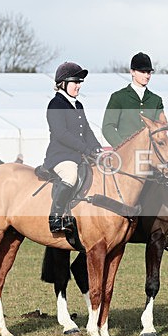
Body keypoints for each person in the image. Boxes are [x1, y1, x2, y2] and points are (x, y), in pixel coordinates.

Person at [43, 61, 102, 234]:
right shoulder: (56, 104)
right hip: (60, 156)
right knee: (70, 175)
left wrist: (97, 148)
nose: (78, 86)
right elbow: (61, 134)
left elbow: (87, 130)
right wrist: (86, 149)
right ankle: (55, 217)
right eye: (75, 82)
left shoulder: (78, 105)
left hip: (78, 155)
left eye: (80, 82)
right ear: (63, 83)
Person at [101, 52, 166, 147]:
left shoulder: (156, 100)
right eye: (142, 72)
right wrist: (122, 147)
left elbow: (160, 128)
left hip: (150, 153)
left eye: (148, 72)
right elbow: (108, 127)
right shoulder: (118, 97)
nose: (147, 76)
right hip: (126, 155)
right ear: (132, 72)